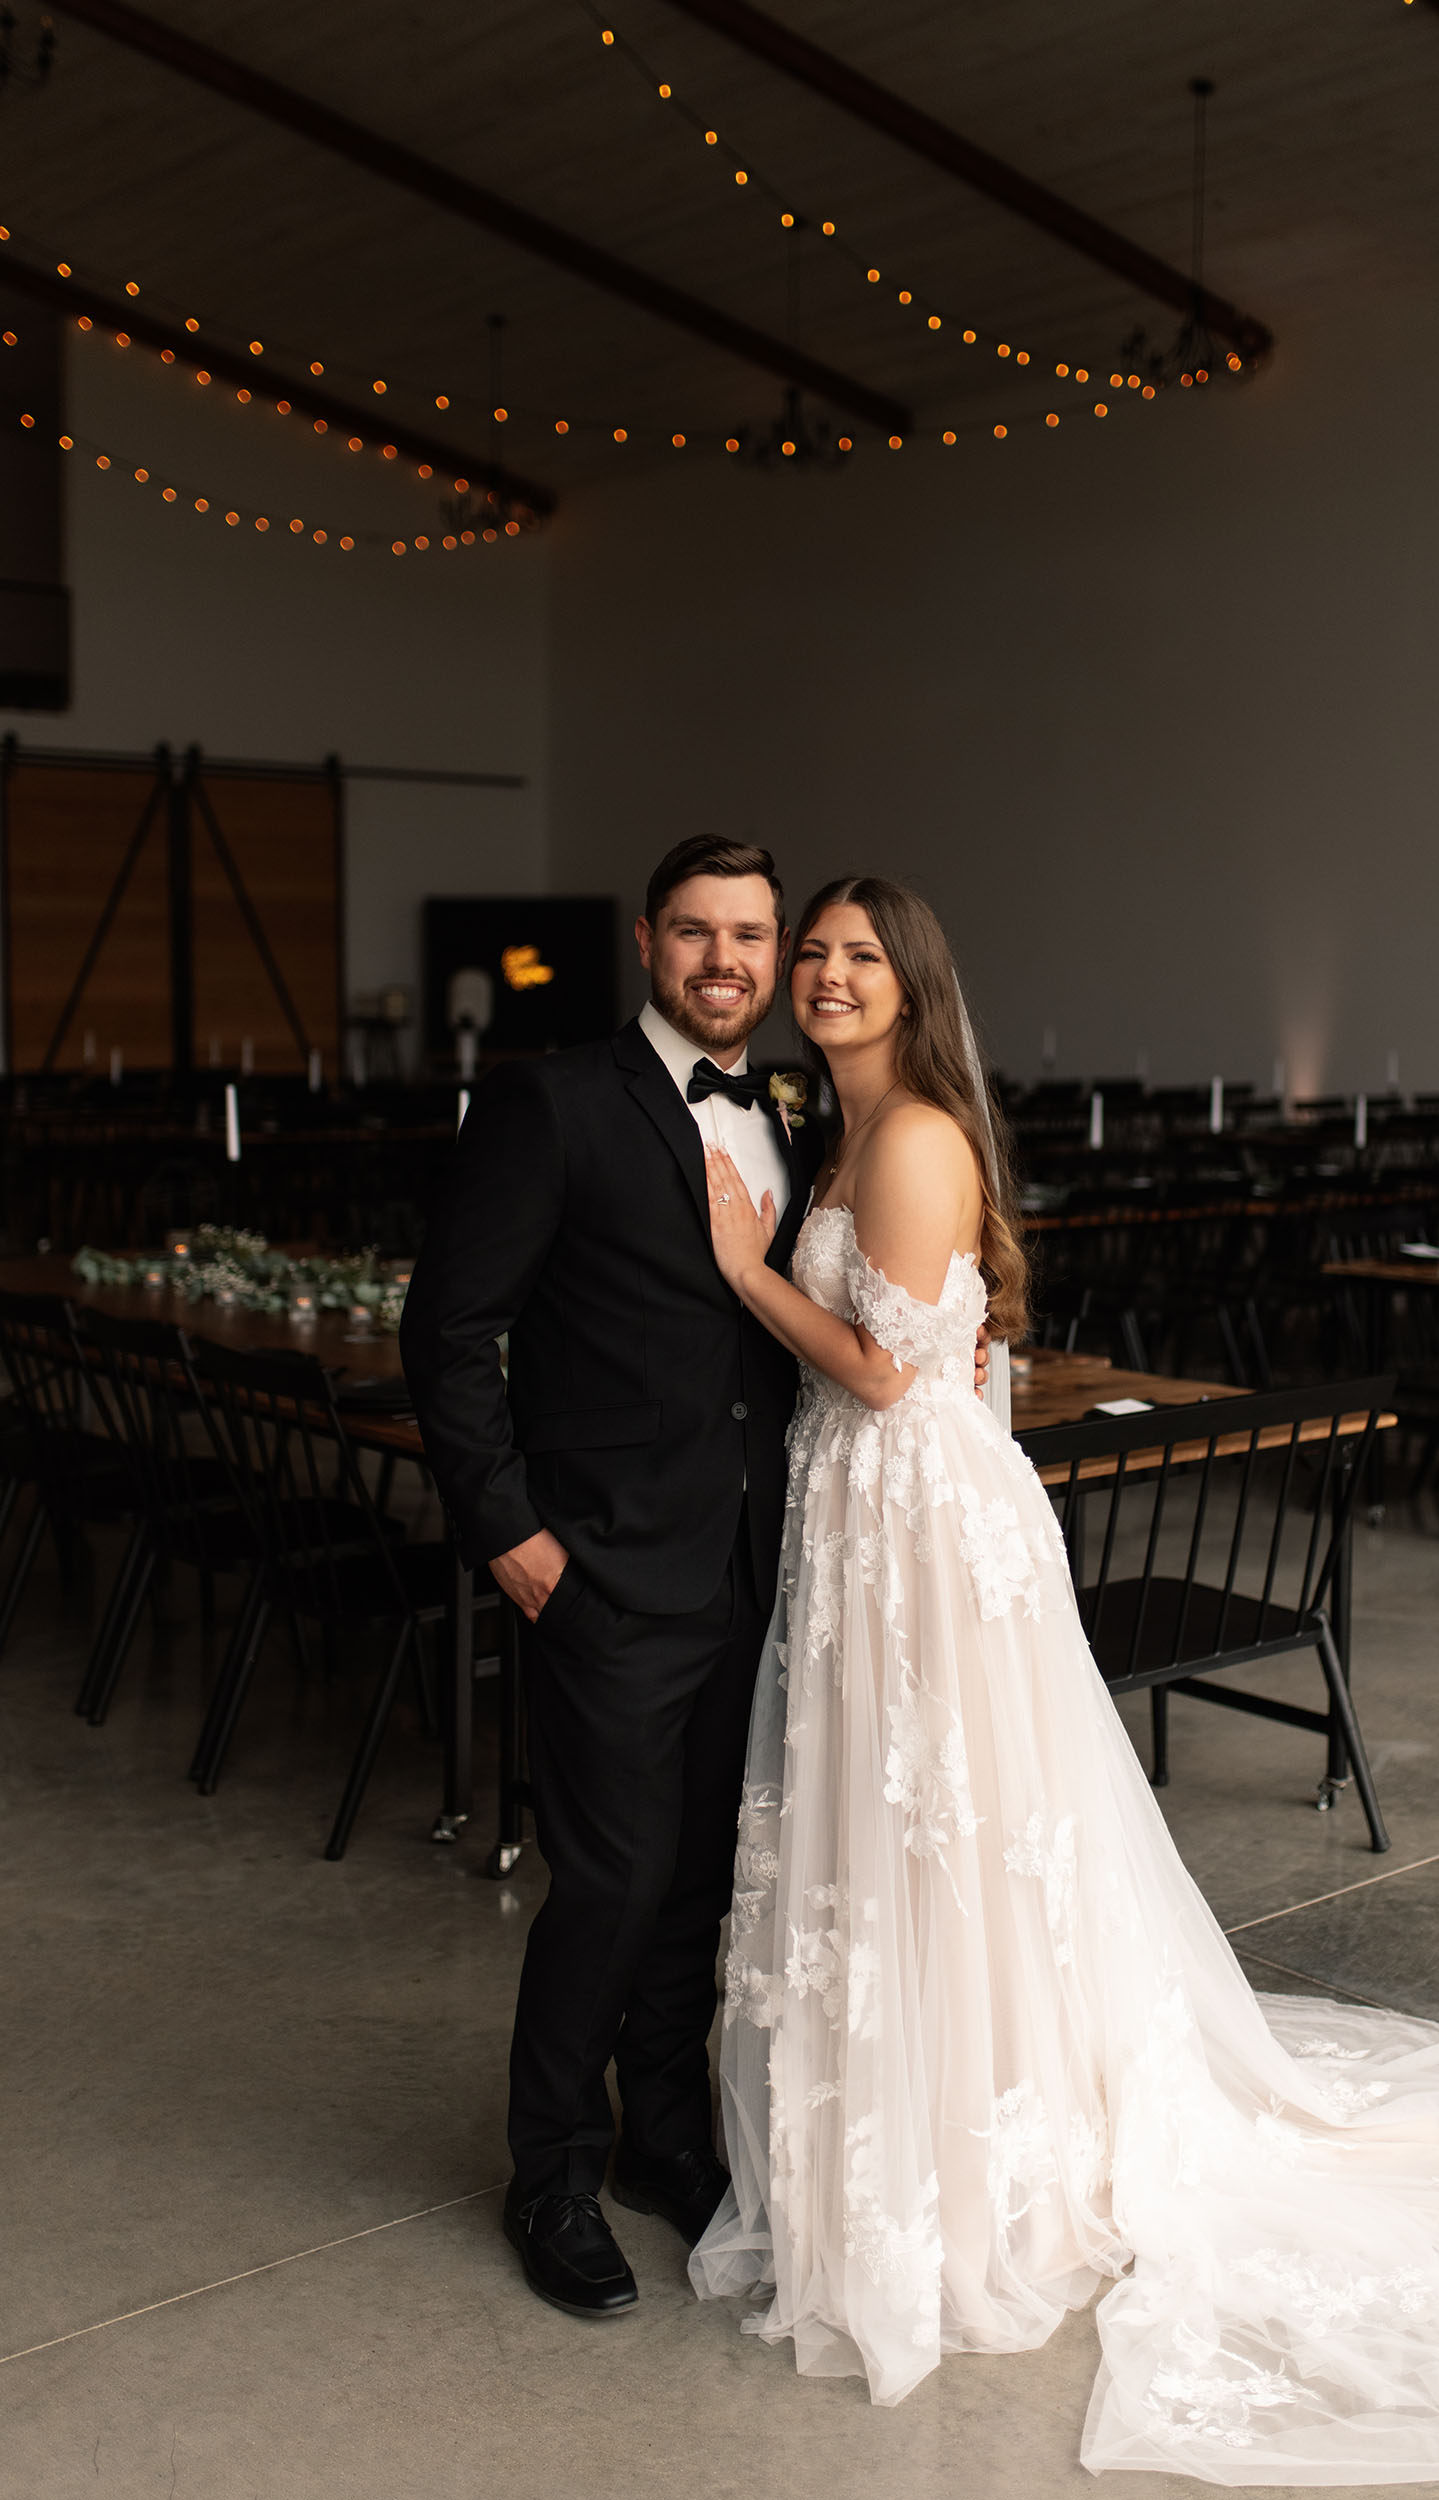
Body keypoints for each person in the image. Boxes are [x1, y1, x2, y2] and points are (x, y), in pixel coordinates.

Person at [689, 874, 1439, 2483]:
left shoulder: (918, 1135)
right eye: (817, 954)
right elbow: (957, 1356)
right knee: (901, 1820)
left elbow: (879, 1365)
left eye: (861, 957)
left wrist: (742, 1267)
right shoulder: (838, 1128)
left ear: (914, 985)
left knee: (945, 1819)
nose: (827, 975)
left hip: (916, 1520)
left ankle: (985, 2142)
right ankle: (916, 2116)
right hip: (881, 1513)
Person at [399, 837, 824, 2320]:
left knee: (703, 1875)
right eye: (698, 932)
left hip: (752, 1565)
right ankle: (553, 2172)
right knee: (611, 1880)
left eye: (753, 935)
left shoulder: (793, 1112)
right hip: (597, 1570)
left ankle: (666, 2137)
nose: (728, 960)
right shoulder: (553, 1100)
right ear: (648, 943)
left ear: (775, 956)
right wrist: (510, 1535)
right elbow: (447, 1331)